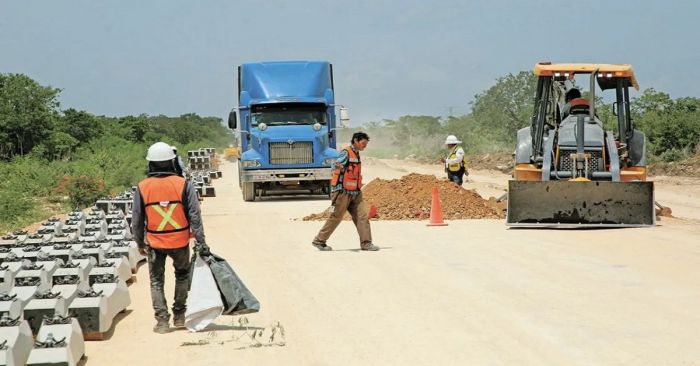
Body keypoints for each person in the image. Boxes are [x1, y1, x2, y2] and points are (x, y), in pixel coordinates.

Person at [131, 142, 208, 334]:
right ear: (171, 162)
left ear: (151, 164)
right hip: (180, 241)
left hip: (155, 243)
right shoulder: (184, 184)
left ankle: (162, 322)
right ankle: (180, 316)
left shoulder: (143, 187)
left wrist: (140, 242)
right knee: (181, 276)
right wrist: (201, 241)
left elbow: (137, 219)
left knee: (156, 281)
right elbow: (195, 216)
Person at [311, 132, 379, 252]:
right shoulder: (346, 153)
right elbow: (335, 167)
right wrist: (339, 167)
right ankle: (319, 241)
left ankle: (366, 244)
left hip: (355, 192)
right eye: (363, 143)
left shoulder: (357, 154)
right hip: (342, 192)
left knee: (362, 217)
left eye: (366, 144)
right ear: (356, 141)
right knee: (336, 217)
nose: (365, 146)